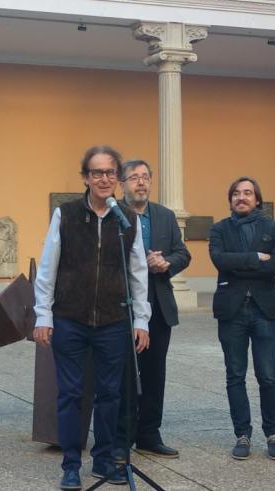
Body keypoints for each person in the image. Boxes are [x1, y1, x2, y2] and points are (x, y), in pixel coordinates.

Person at [33, 145, 152, 490]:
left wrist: (141, 321)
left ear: (118, 178)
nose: (104, 179)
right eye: (97, 172)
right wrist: (44, 315)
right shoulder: (66, 214)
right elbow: (47, 268)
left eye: (110, 173)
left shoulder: (126, 219)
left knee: (110, 394)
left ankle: (103, 460)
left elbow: (138, 273)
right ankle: (71, 465)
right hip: (70, 318)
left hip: (114, 321)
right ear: (85, 177)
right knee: (70, 393)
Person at [114, 160, 191, 461]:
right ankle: (122, 438)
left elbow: (183, 253)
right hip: (123, 306)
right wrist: (136, 263)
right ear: (123, 183)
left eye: (145, 177)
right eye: (134, 178)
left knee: (155, 372)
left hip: (158, 304)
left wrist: (166, 263)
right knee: (124, 375)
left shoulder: (165, 216)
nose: (141, 183)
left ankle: (149, 434)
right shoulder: (113, 214)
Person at [208, 177, 275, 461]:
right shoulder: (219, 229)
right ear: (230, 199)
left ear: (257, 200)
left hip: (264, 310)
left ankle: (273, 435)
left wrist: (240, 262)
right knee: (235, 375)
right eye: (236, 194)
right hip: (231, 311)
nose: (241, 198)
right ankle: (242, 434)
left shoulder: (274, 228)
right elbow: (220, 261)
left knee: (268, 374)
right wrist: (256, 258)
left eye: (247, 193)